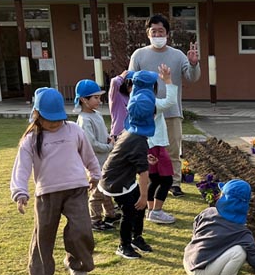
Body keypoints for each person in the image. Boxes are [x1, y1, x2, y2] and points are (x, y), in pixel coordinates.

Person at [10, 87, 101, 275]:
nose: (54, 123)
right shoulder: (31, 140)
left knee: (82, 228)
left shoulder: (74, 130)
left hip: (76, 189)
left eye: (58, 118)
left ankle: (77, 265)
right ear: (37, 115)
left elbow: (88, 155)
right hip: (47, 194)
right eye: (49, 119)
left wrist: (95, 174)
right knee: (44, 234)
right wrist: (20, 192)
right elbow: (21, 168)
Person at [129, 13, 200, 197]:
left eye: (161, 31)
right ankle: (151, 179)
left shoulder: (177, 55)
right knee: (147, 149)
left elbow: (192, 77)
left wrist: (193, 64)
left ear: (167, 34)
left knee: (173, 149)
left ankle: (174, 183)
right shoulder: (139, 54)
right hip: (146, 114)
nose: (158, 35)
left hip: (171, 111)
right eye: (154, 31)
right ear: (148, 33)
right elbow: (131, 81)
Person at [98, 70, 157, 260]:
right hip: (115, 181)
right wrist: (144, 195)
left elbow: (129, 155)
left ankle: (136, 238)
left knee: (139, 209)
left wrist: (144, 158)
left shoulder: (132, 132)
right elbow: (143, 174)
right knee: (131, 211)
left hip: (122, 176)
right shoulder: (138, 139)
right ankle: (123, 245)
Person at [183, 179, 255, 275]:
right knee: (239, 252)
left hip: (189, 260)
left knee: (228, 246)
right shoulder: (242, 232)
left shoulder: (208, 212)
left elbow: (195, 231)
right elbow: (254, 258)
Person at [75, 79, 118, 231]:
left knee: (106, 188)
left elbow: (104, 132)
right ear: (83, 100)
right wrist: (109, 146)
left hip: (105, 159)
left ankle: (111, 214)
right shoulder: (83, 120)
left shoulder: (97, 114)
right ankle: (95, 219)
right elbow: (91, 144)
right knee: (97, 192)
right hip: (94, 161)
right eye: (95, 98)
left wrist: (109, 139)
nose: (99, 100)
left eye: (99, 97)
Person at [146, 64, 178, 224]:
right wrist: (168, 80)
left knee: (154, 179)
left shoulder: (135, 102)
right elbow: (171, 100)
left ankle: (151, 210)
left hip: (145, 145)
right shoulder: (153, 103)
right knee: (166, 180)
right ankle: (156, 212)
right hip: (157, 145)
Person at [108, 70, 134, 140]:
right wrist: (121, 77)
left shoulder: (131, 97)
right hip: (118, 134)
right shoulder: (116, 96)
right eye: (131, 85)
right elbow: (114, 82)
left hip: (131, 134)